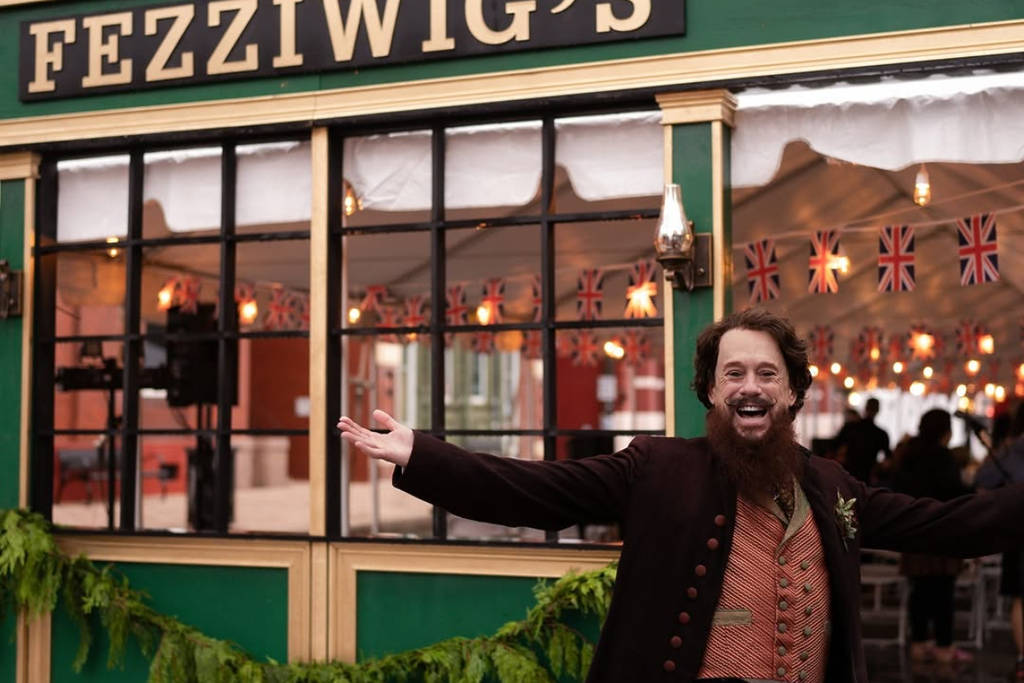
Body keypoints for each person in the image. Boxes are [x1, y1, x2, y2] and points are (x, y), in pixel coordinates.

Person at [337, 308, 1024, 683]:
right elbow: (539, 491)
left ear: (790, 392)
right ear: (711, 391)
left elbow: (950, 524)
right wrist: (423, 456)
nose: (749, 386)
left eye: (765, 372)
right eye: (734, 373)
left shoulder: (833, 486)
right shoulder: (656, 467)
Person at [890, 409, 973, 665]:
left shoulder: (908, 453)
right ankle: (944, 646)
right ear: (944, 430)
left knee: (920, 592)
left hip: (915, 532)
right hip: (941, 533)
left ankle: (918, 644)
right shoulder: (943, 457)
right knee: (943, 593)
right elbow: (953, 492)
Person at [975, 402, 1024, 681]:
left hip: (1018, 529)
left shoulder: (1013, 448)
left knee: (1020, 596)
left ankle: (1022, 659)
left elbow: (984, 480)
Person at [835, 397, 891, 484]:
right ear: (878, 410)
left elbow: (835, 446)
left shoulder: (850, 428)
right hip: (868, 475)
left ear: (865, 408)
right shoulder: (880, 434)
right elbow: (888, 458)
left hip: (849, 472)